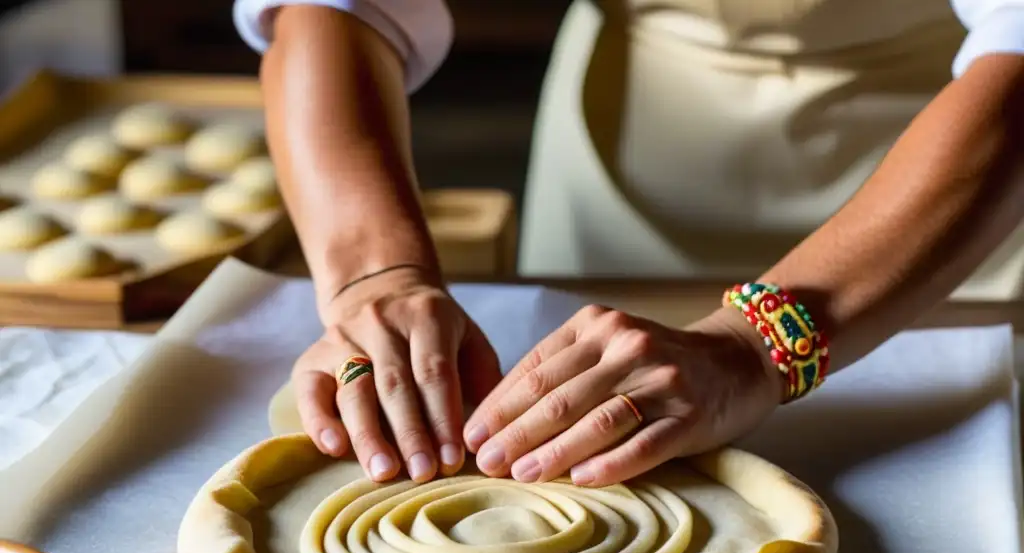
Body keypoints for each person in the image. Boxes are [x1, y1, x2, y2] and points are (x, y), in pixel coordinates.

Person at [233, 0, 1024, 487]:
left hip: (946, 200)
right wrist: (376, 277)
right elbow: (331, 5)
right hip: (624, 172)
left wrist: (755, 348)